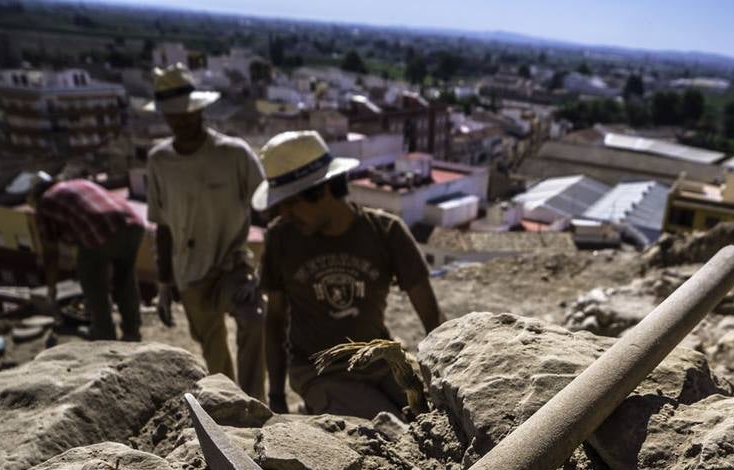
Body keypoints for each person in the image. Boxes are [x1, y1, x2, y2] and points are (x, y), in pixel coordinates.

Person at [254, 131, 444, 418]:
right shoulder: (281, 238)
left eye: (291, 203)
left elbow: (431, 316)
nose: (284, 213)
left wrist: (444, 381)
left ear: (323, 190)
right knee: (390, 430)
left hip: (381, 364)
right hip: (318, 372)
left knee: (426, 418)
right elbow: (275, 321)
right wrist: (276, 396)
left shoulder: (386, 232)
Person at [145, 64, 267, 398]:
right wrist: (165, 285)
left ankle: (258, 404)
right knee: (214, 353)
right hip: (189, 274)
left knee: (254, 319)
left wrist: (264, 273)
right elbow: (163, 227)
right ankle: (232, 411)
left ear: (200, 109)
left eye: (187, 113)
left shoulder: (234, 154)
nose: (181, 121)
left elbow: (271, 209)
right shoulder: (159, 161)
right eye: (173, 115)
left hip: (233, 263)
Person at [29, 172, 145, 342]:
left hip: (99, 230)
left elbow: (50, 253)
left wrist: (51, 288)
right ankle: (132, 332)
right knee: (125, 279)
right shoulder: (77, 183)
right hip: (133, 222)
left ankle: (104, 334)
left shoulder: (45, 202)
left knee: (93, 283)